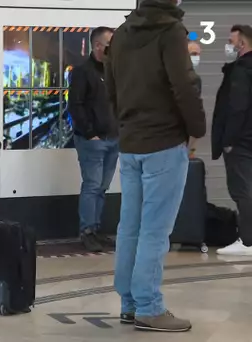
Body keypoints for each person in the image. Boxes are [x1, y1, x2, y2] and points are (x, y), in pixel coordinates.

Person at [105, 0, 206, 333]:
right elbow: (184, 84)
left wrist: (126, 124)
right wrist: (196, 129)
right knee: (154, 230)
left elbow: (112, 87)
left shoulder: (120, 33)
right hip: (164, 143)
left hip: (131, 143)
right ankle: (149, 306)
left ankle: (129, 304)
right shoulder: (170, 31)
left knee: (129, 227)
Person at [69, 26, 119, 253]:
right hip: (93, 141)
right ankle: (87, 231)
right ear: (98, 45)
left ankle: (96, 229)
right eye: (110, 44)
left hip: (114, 138)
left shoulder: (114, 70)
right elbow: (76, 106)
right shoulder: (83, 71)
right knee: (92, 186)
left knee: (102, 187)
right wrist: (90, 133)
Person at [213, 25, 252, 256]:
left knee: (242, 189)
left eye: (231, 41)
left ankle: (248, 241)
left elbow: (236, 107)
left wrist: (228, 139)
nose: (229, 45)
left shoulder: (240, 70)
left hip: (241, 141)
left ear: (242, 44)